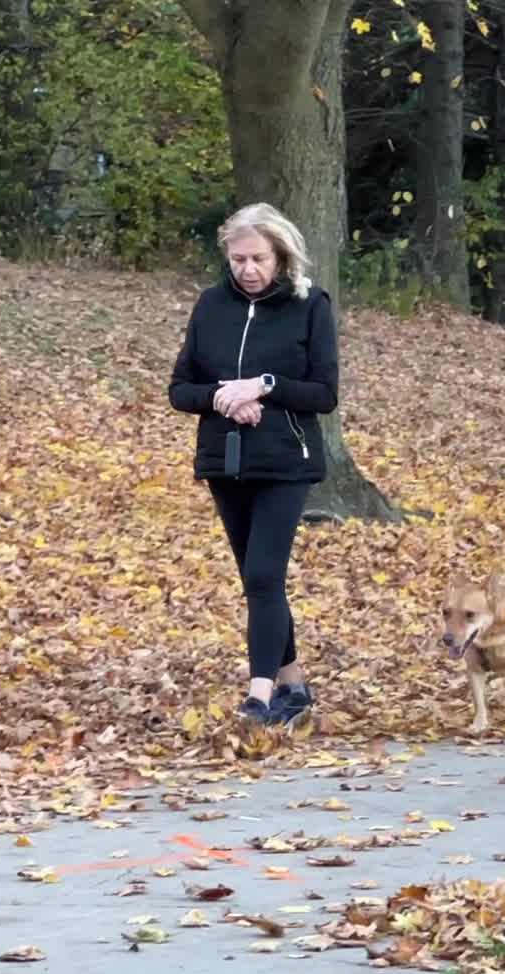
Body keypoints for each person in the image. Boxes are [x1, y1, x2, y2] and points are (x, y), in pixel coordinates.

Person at [168, 203, 339, 726]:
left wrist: (264, 386)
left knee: (265, 574)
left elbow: (324, 393)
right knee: (257, 580)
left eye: (258, 258)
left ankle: (259, 697)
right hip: (226, 459)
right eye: (238, 258)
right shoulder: (210, 306)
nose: (247, 268)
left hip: (286, 461)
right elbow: (181, 389)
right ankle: (294, 686)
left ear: (280, 255)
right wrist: (223, 396)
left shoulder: (309, 306)